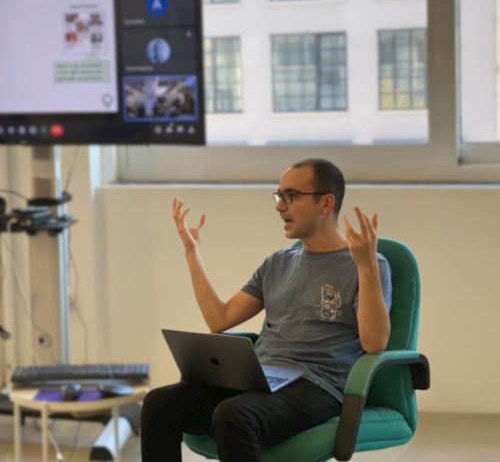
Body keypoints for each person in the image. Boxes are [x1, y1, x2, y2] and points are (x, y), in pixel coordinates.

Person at [141, 158, 392, 462]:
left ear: (325, 203)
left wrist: (365, 268)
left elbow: (374, 342)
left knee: (233, 415)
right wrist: (191, 252)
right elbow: (219, 319)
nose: (279, 206)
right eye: (279, 195)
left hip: (317, 385)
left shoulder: (370, 265)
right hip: (262, 377)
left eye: (291, 196)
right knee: (159, 403)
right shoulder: (277, 263)